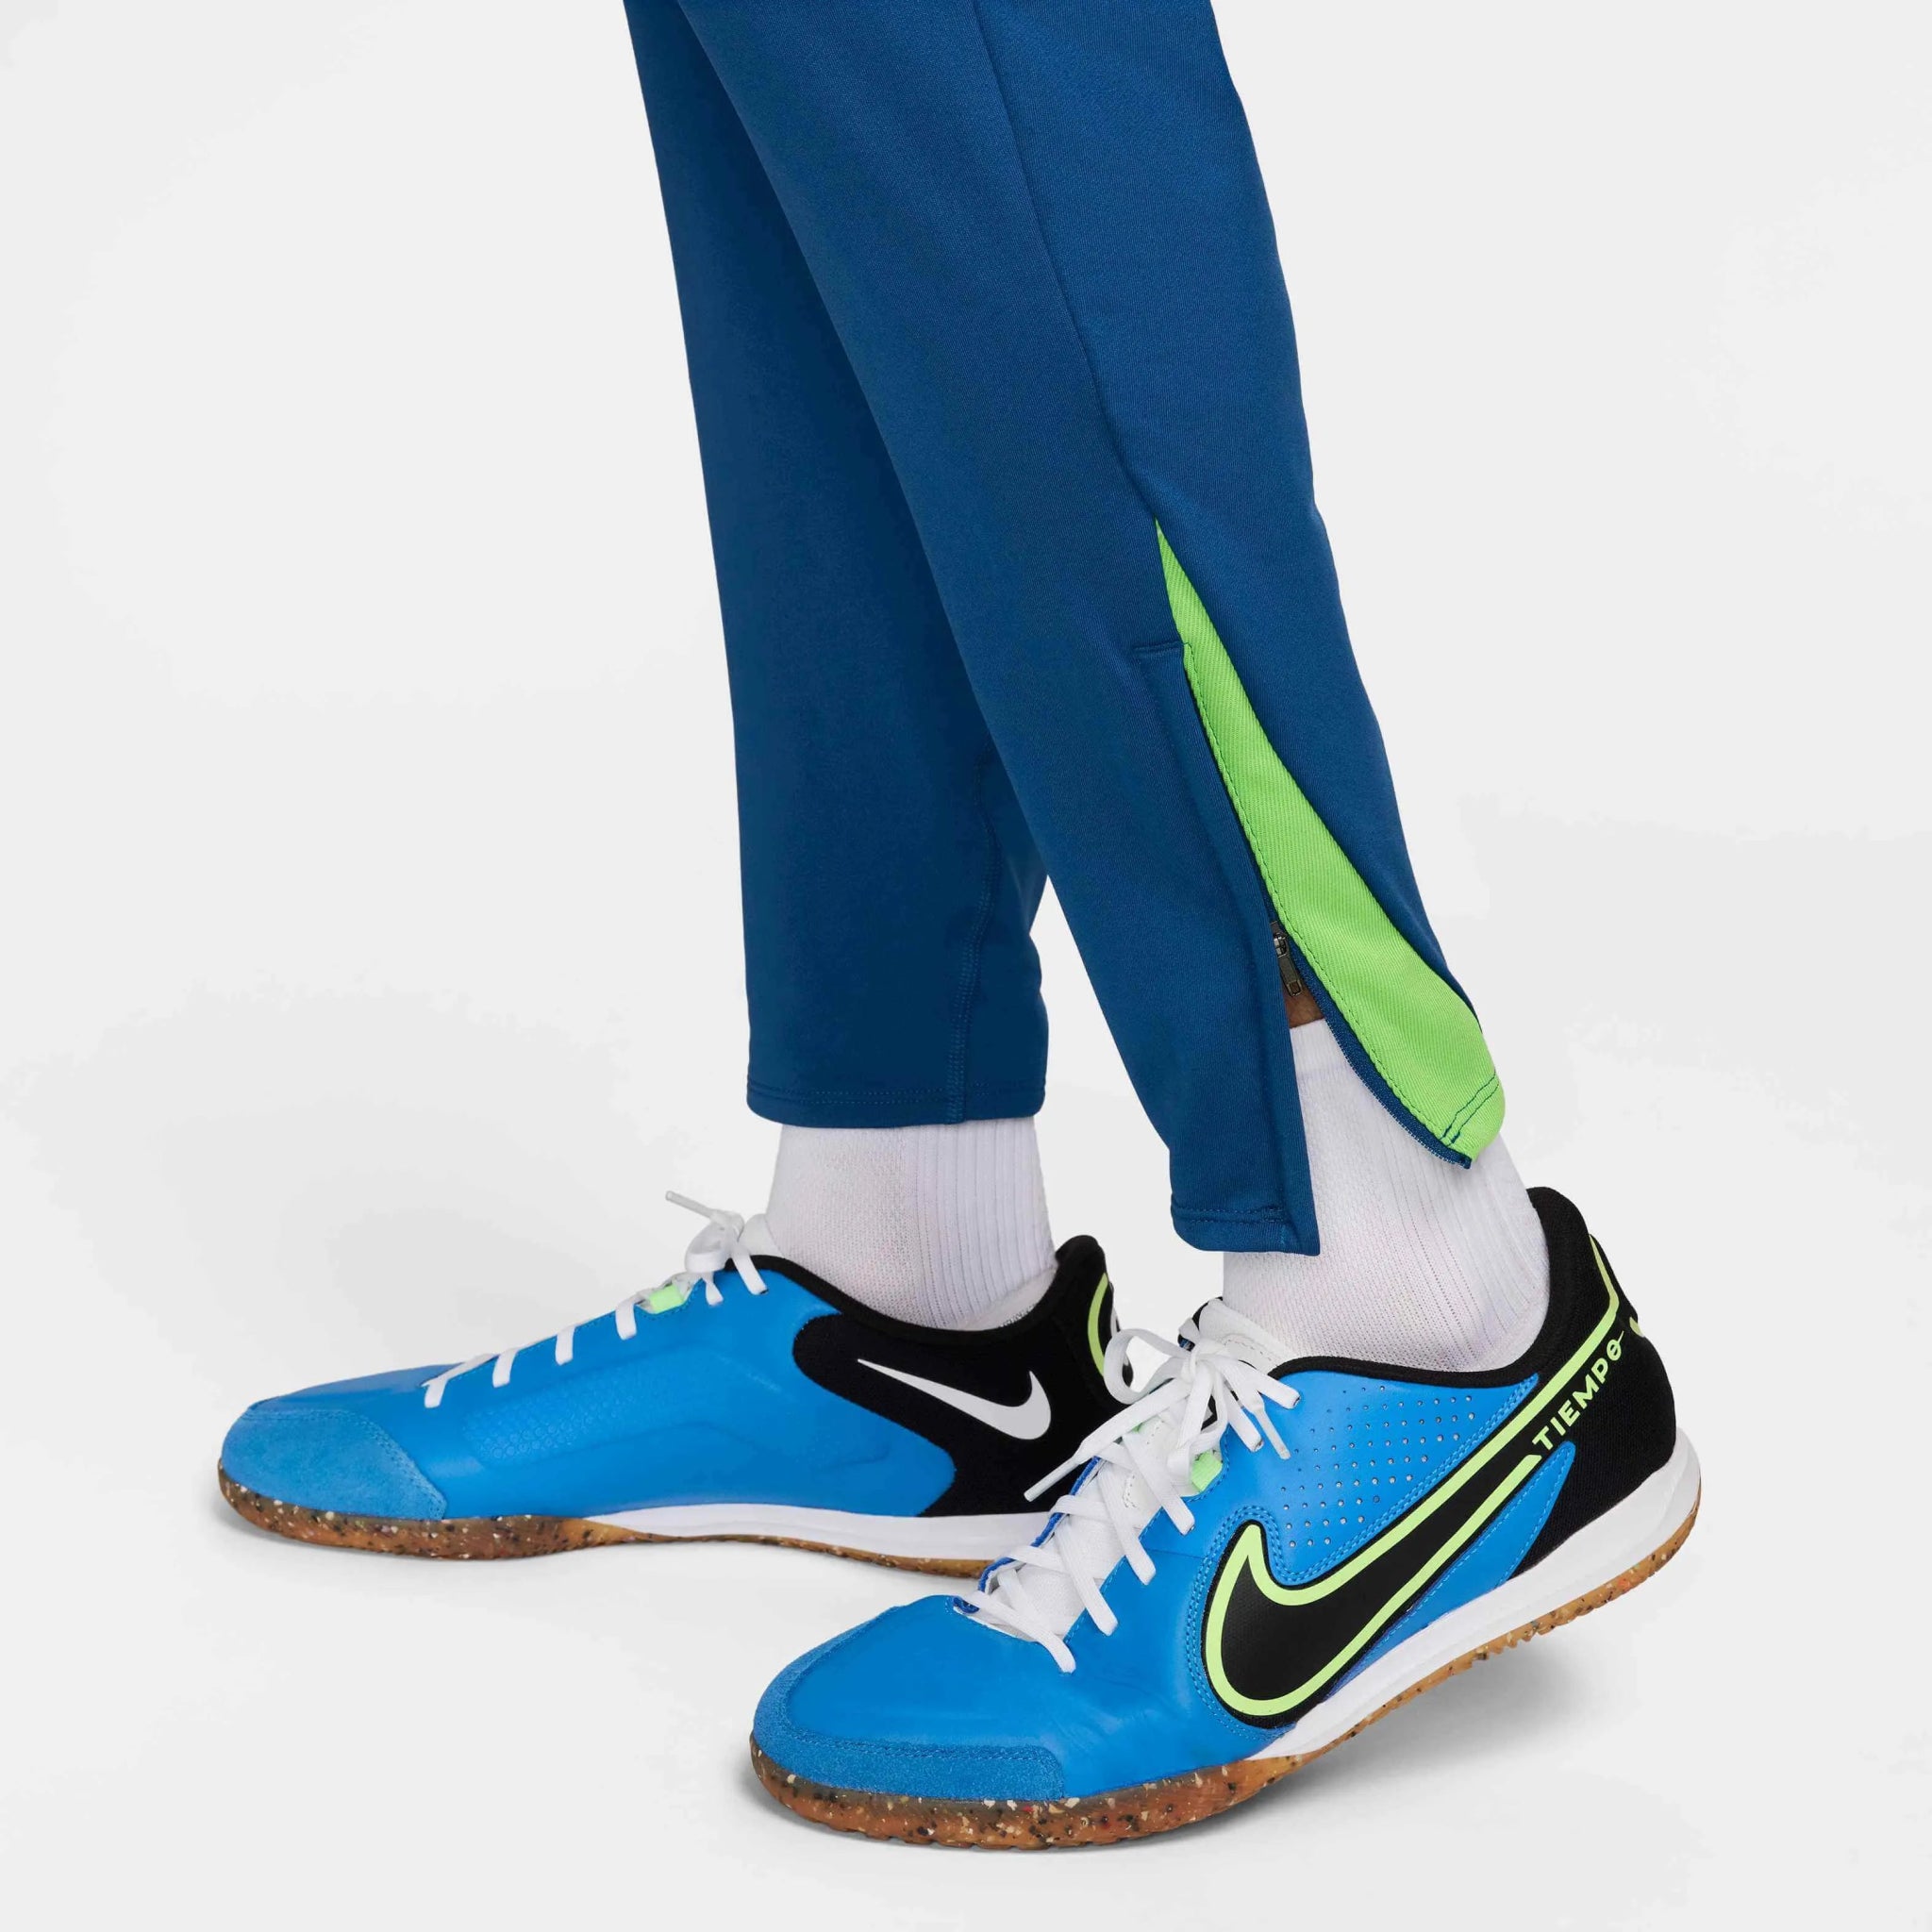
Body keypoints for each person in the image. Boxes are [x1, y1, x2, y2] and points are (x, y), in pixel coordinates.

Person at [218, 0, 1697, 1846]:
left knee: (996, 89)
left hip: (1427, 1320)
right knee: (823, 198)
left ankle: (1418, 1298)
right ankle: (904, 1285)